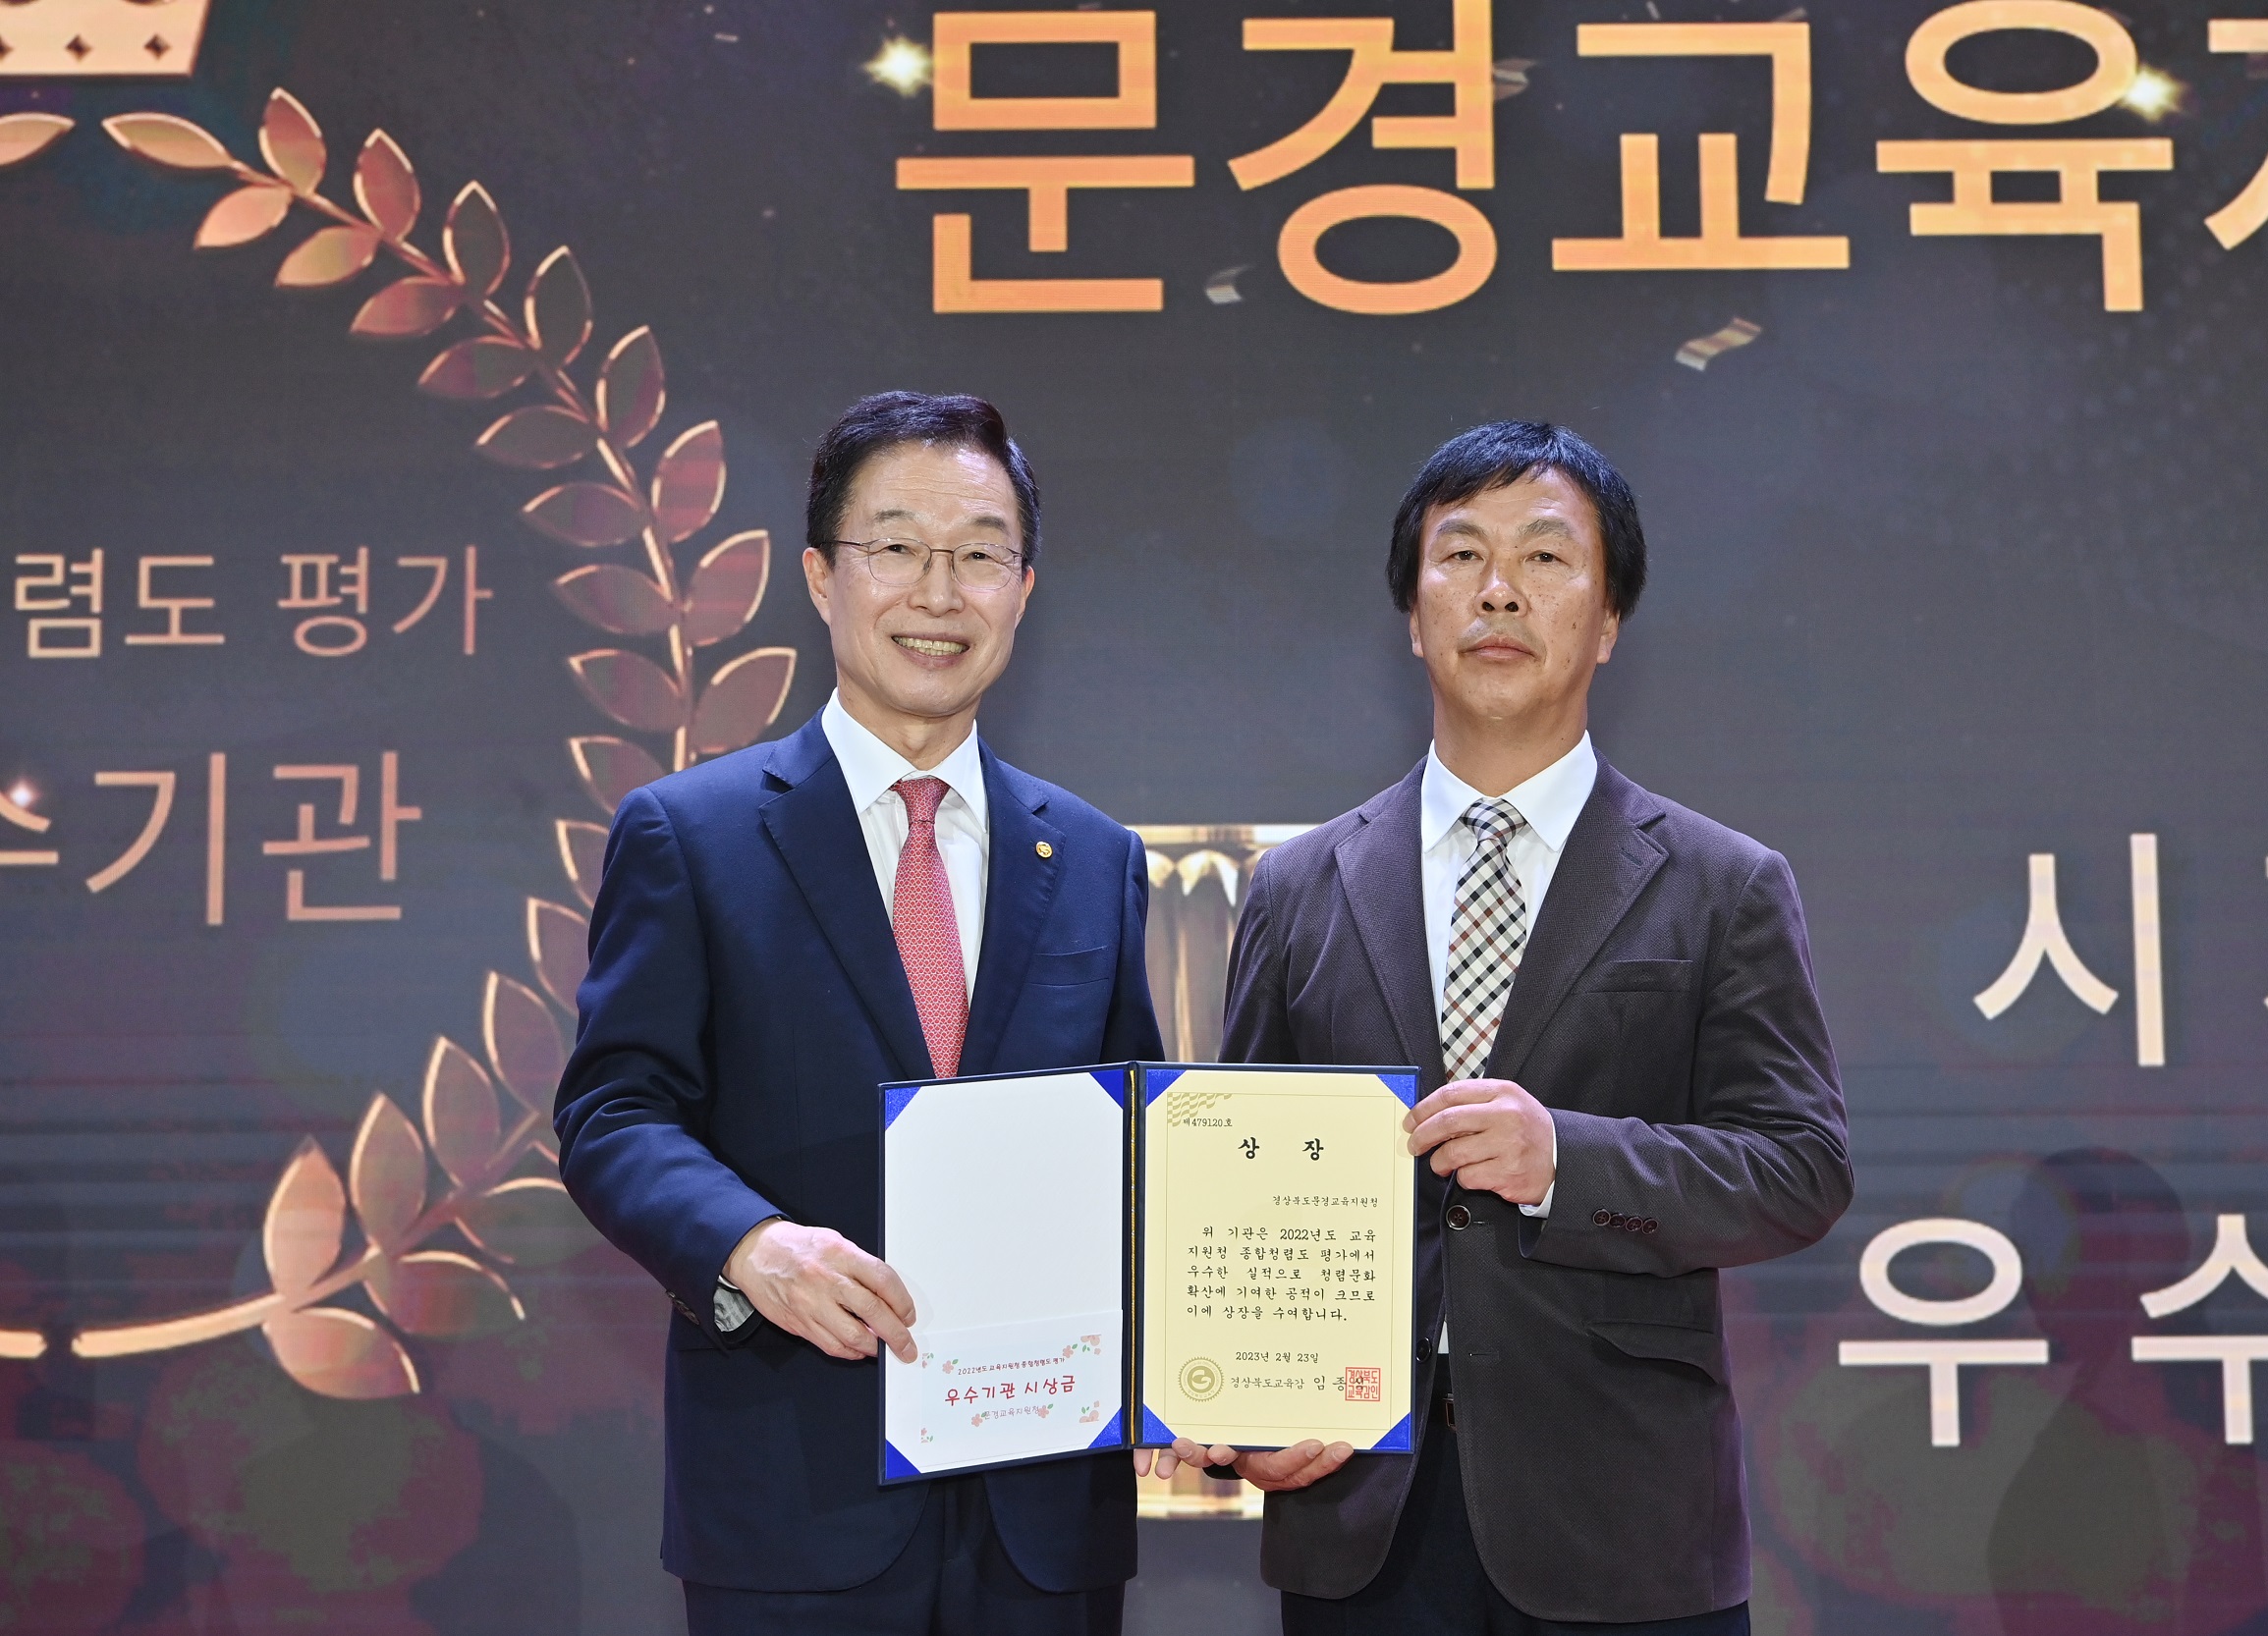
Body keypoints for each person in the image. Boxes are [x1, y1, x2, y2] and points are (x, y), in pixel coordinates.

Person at [1177, 421, 1853, 1633]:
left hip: (1621, 1517)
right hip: (1359, 1508)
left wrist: (1564, 1162)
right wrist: (1243, 1395)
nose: (1498, 589)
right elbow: (1240, 1175)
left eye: (1544, 557)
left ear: (1607, 619)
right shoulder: (1298, 885)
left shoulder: (1723, 883)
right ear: (1412, 613)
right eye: (1460, 555)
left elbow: (1798, 1167)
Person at [556, 391, 1189, 1636]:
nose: (938, 593)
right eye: (896, 546)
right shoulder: (692, 835)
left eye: (980, 555)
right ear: (820, 575)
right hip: (795, 1497)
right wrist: (751, 1246)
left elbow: (1135, 1148)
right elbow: (613, 1112)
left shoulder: (1095, 855)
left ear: (1023, 590)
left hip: (1042, 1509)